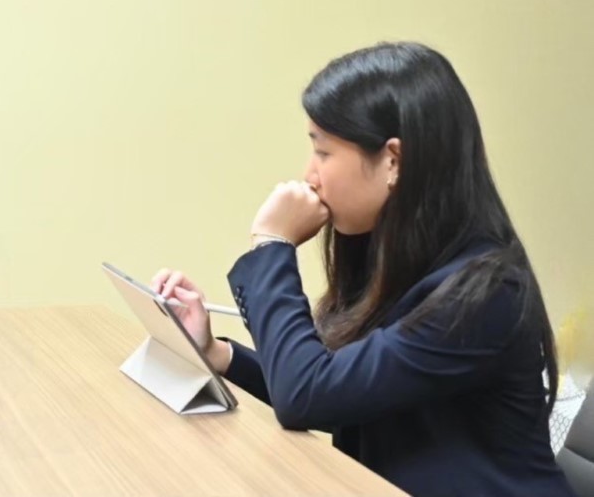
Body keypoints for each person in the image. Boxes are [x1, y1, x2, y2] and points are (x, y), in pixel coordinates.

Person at [153, 42, 572, 497]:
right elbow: (334, 392)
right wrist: (216, 353)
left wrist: (273, 244)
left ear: (393, 160)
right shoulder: (403, 260)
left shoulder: (485, 293)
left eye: (323, 152)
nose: (310, 175)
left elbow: (307, 395)